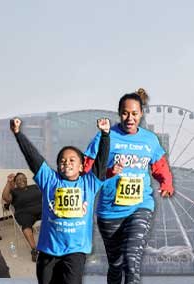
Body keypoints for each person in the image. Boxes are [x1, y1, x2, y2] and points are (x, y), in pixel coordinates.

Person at [12, 117, 118, 284]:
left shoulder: (89, 183)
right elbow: (33, 157)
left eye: (71, 160)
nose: (66, 163)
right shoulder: (50, 180)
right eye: (62, 161)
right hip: (48, 251)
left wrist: (105, 135)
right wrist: (18, 134)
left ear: (81, 167)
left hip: (75, 252)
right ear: (57, 166)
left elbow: (101, 162)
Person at [85, 90, 174, 284]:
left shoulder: (150, 140)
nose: (130, 118)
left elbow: (160, 165)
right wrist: (109, 172)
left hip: (140, 206)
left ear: (141, 113)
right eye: (125, 113)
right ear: (119, 113)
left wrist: (166, 183)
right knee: (116, 265)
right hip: (110, 210)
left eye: (134, 113)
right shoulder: (105, 137)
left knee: (131, 261)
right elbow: (87, 170)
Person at [1, 172, 43, 262]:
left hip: (41, 210)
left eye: (23, 178)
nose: (21, 180)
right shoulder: (14, 191)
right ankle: (34, 250)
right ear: (15, 182)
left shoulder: (34, 187)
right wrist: (8, 182)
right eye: (18, 179)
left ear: (26, 179)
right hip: (24, 213)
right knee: (26, 225)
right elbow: (5, 197)